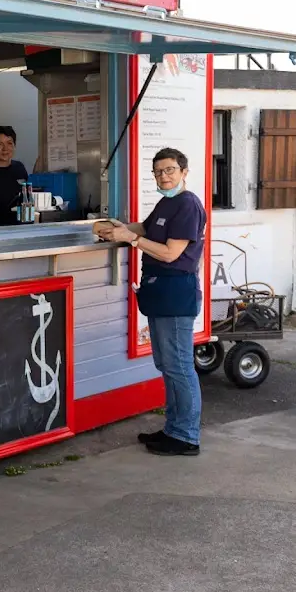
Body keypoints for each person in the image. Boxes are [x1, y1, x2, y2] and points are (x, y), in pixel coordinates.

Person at [94, 147, 206, 456]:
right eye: (158, 172)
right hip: (160, 294)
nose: (164, 176)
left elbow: (171, 252)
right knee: (167, 364)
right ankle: (174, 429)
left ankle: (186, 436)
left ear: (184, 171)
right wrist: (118, 229)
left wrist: (132, 239)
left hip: (175, 293)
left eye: (170, 170)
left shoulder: (188, 205)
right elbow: (145, 228)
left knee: (180, 366)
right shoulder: (166, 203)